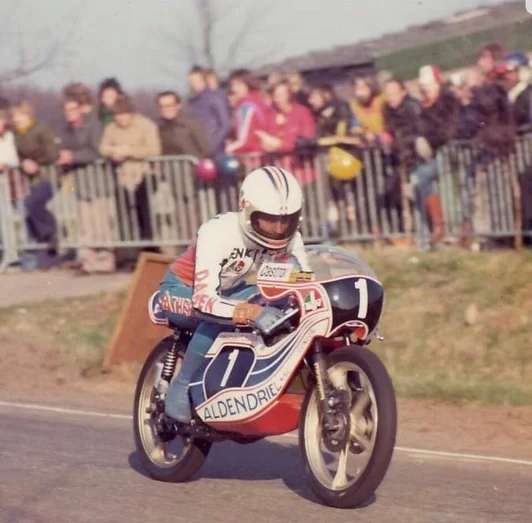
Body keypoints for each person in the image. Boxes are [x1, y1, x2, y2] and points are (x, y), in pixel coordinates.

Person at [155, 165, 311, 424]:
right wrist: (251, 312)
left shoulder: (292, 238)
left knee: (282, 306)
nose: (278, 228)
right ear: (247, 210)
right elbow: (204, 301)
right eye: (269, 219)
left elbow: (305, 282)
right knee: (221, 316)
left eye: (286, 220)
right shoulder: (217, 231)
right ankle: (181, 386)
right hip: (182, 291)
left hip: (229, 291)